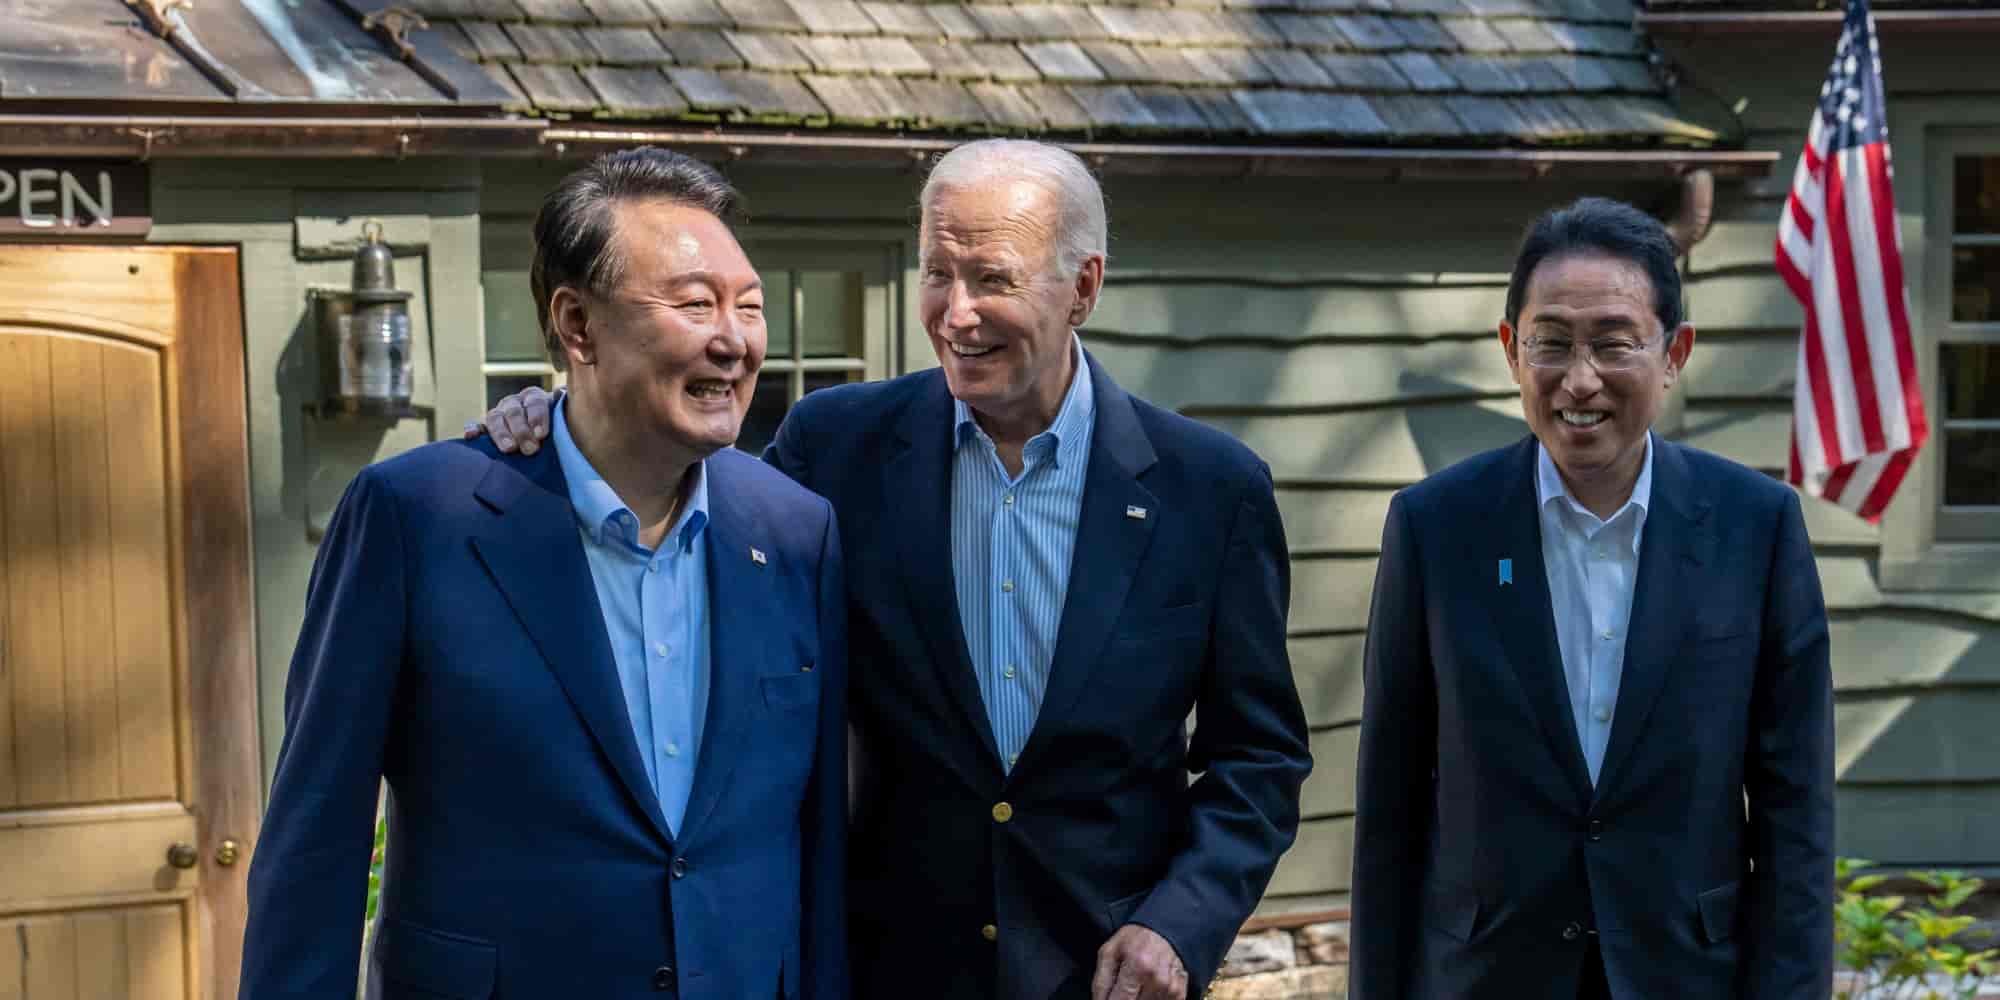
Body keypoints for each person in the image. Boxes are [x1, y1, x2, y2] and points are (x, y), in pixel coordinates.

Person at [477, 139, 1312, 1000]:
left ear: (1085, 288)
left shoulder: (1210, 490)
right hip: (887, 969)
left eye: (992, 279)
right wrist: (565, 413)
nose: (955, 313)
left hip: (1106, 974)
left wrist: (1177, 923)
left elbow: (1258, 759)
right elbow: (678, 501)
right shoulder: (833, 446)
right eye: (936, 274)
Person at [241, 148, 848, 999]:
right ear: (577, 326)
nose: (734, 339)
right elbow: (317, 840)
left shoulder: (795, 530)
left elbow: (814, 844)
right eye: (695, 303)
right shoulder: (417, 516)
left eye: (748, 307)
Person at [1348, 197, 1834, 999]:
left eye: (1613, 343)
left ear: (1674, 352)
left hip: (1687, 972)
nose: (1580, 380)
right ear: (1511, 350)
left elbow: (1797, 808)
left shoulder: (1757, 527)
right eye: (1551, 343)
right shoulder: (1436, 528)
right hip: (1486, 973)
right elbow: (1391, 802)